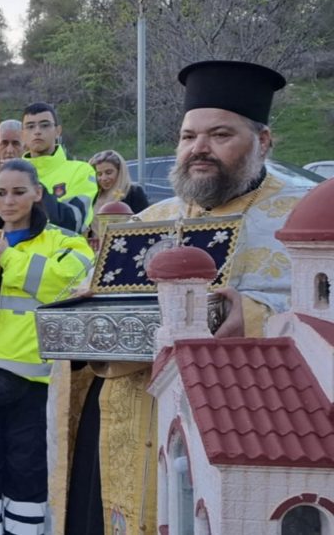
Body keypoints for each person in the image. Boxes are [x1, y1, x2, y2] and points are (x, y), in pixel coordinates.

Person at [52, 61, 309, 535]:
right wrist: (84, 302)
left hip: (245, 425)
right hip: (130, 419)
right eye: (189, 137)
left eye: (220, 135)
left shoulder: (300, 217)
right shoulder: (152, 217)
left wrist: (250, 317)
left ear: (264, 140)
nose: (199, 150)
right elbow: (91, 305)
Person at [0, 159, 93, 535]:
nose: (8, 201)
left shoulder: (65, 241)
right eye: (0, 192)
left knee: (28, 476)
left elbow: (69, 284)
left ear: (37, 194)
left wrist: (7, 257)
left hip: (32, 382)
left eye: (18, 192)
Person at [20, 102, 98, 230]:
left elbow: (74, 221)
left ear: (58, 131)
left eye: (44, 125)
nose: (37, 131)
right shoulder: (7, 176)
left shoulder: (81, 171)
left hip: (62, 249)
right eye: (30, 126)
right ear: (22, 134)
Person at [89, 149, 149, 214]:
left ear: (120, 172)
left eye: (109, 172)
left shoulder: (134, 193)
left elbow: (144, 220)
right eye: (99, 174)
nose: (103, 178)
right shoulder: (92, 195)